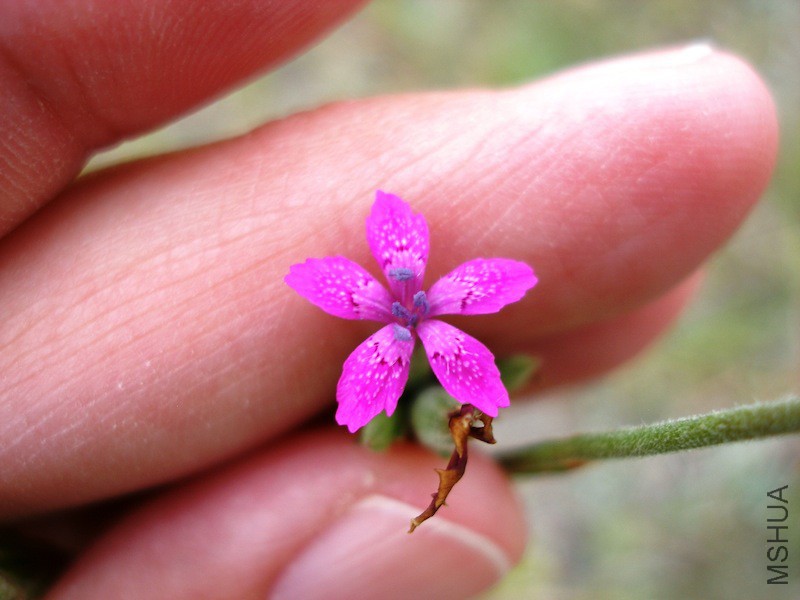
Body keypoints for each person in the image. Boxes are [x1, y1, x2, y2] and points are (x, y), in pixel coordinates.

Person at [0, 2, 777, 598]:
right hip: (399, 355)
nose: (404, 299)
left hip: (426, 353)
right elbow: (323, 278)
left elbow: (497, 284)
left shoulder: (446, 321)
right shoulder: (379, 314)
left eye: (410, 293)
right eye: (395, 292)